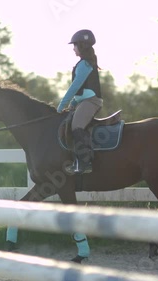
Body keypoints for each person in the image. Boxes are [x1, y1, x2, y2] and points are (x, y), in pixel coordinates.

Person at [57, 29, 103, 175]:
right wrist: (74, 103)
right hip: (86, 100)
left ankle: (85, 163)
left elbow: (75, 86)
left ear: (81, 46)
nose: (73, 48)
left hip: (92, 102)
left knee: (77, 125)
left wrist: (62, 104)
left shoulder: (84, 64)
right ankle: (75, 160)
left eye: (75, 45)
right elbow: (82, 91)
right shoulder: (84, 63)